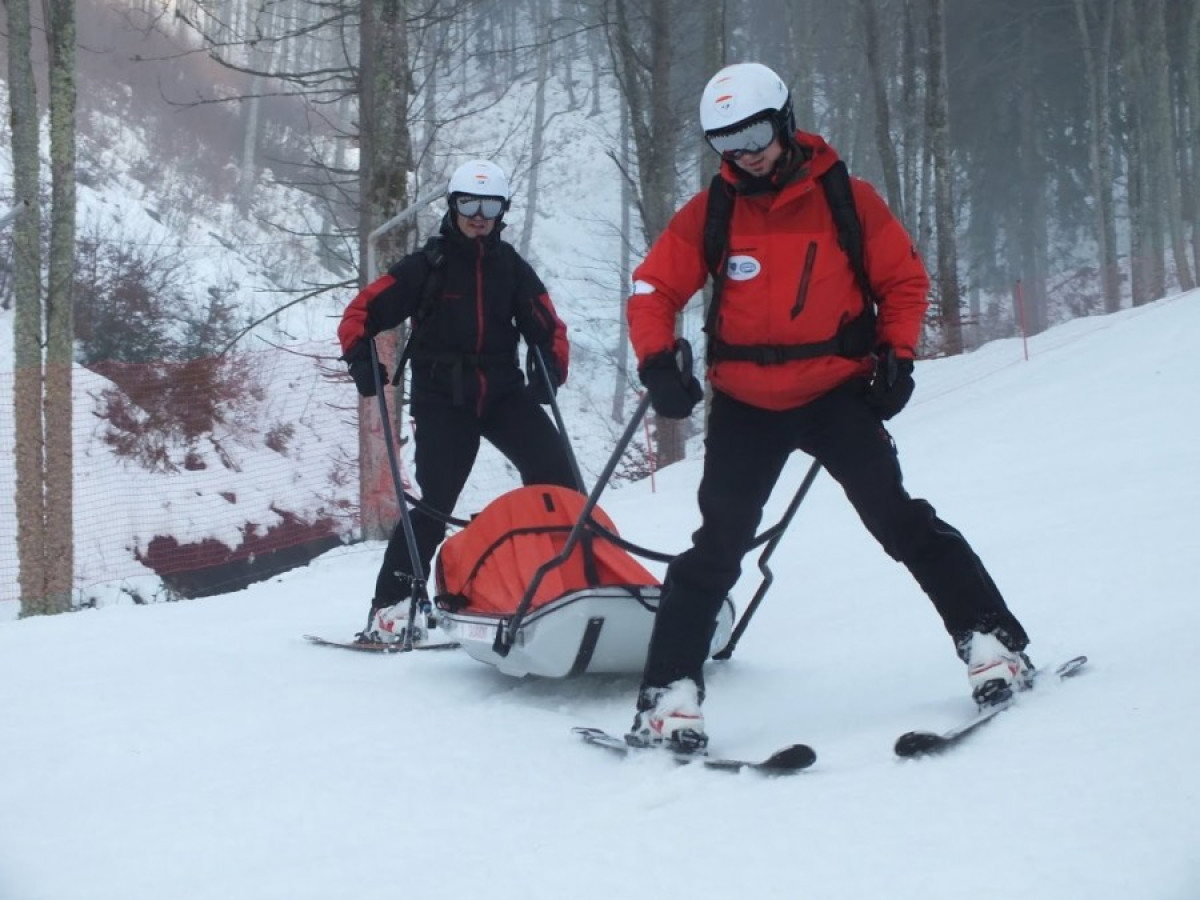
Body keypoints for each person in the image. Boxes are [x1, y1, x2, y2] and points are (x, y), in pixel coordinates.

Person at [624, 62, 1032, 751]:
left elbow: (903, 280)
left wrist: (897, 358)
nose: (745, 153)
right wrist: (657, 362)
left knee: (899, 521)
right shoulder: (714, 211)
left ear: (783, 120)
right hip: (747, 406)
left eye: (754, 133)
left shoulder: (847, 196)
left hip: (834, 395)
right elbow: (652, 288)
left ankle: (992, 643)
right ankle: (669, 698)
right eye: (726, 142)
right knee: (716, 549)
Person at [338, 159, 577, 644]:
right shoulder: (428, 265)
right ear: (453, 205)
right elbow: (363, 311)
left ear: (502, 212)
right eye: (469, 203)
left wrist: (550, 366)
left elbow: (548, 326)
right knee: (438, 501)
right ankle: (393, 608)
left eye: (490, 206)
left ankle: (565, 584)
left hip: (503, 392)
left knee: (560, 479)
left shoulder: (510, 267)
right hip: (443, 398)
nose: (478, 215)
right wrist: (359, 357)